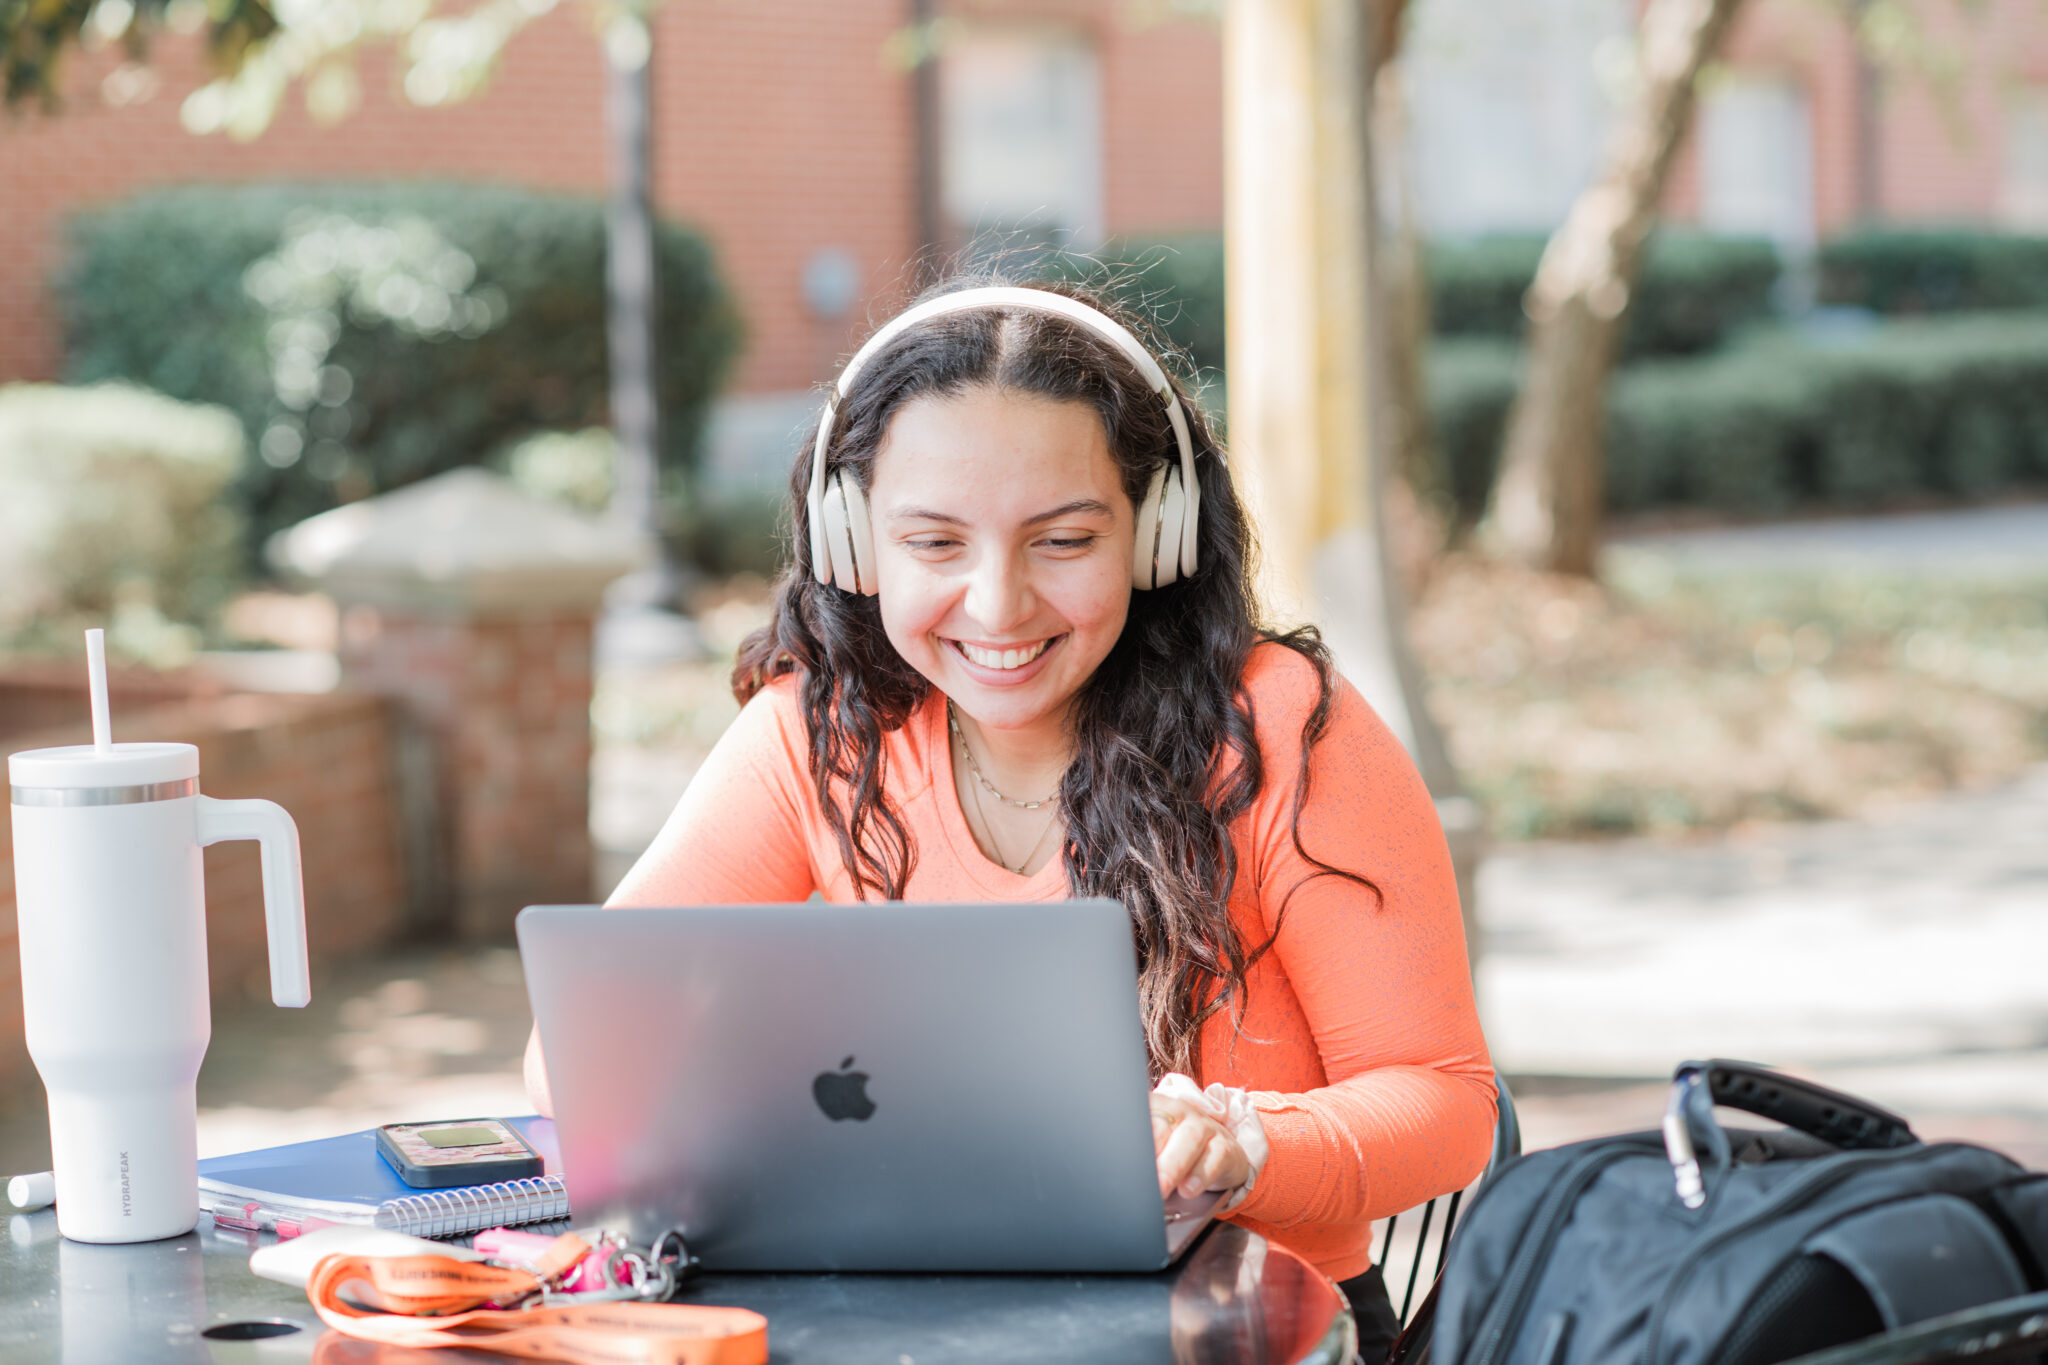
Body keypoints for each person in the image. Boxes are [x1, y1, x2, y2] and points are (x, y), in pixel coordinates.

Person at [524, 276, 1494, 1351]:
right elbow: (578, 1053)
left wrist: (1238, 1143)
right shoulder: (819, 733)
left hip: (1241, 1329)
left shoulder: (1277, 728)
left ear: (1154, 530)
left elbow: (1442, 1102)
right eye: (934, 545)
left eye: (1063, 541)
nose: (997, 605)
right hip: (905, 1323)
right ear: (853, 543)